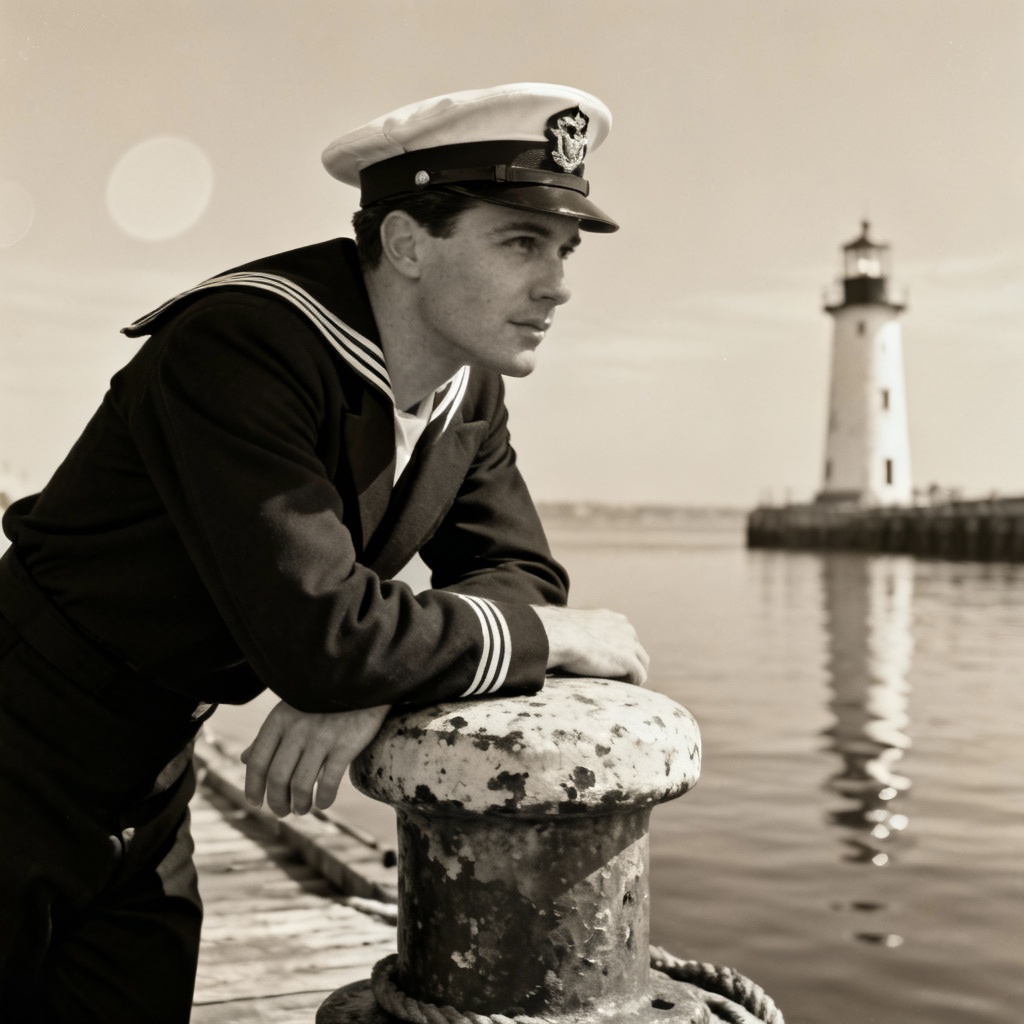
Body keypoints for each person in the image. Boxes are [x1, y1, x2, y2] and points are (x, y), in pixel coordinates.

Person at [0, 82, 649, 1021]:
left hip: (151, 771)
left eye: (562, 249)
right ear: (406, 244)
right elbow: (327, 637)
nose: (557, 283)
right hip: (21, 740)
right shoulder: (245, 344)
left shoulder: (467, 388)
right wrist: (543, 640)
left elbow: (515, 574)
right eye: (520, 242)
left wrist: (383, 685)